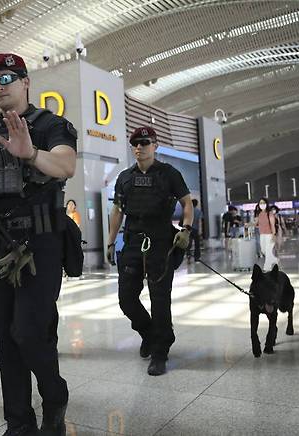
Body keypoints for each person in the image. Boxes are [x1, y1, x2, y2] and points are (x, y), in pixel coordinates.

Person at [0, 53, 77, 436]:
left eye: (6, 78)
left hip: (39, 243)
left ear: (26, 81)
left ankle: (54, 397)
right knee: (4, 339)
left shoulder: (51, 126)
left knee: (29, 331)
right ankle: (18, 420)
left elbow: (65, 166)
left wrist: (29, 153)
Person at [106, 126, 193, 377]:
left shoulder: (169, 174)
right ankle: (149, 333)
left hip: (161, 242)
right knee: (126, 299)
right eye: (135, 144)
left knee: (160, 299)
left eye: (144, 143)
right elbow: (117, 211)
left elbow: (186, 202)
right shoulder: (124, 177)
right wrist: (111, 241)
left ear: (155, 146)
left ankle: (160, 352)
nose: (139, 148)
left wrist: (186, 229)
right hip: (133, 242)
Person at [252, 198, 278, 271]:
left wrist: (273, 235)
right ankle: (274, 259)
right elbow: (255, 223)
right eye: (260, 203)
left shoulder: (269, 213)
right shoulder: (259, 214)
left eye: (263, 203)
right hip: (262, 235)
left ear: (266, 204)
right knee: (263, 250)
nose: (262, 204)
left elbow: (272, 225)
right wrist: (248, 225)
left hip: (269, 235)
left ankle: (267, 267)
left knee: (268, 250)